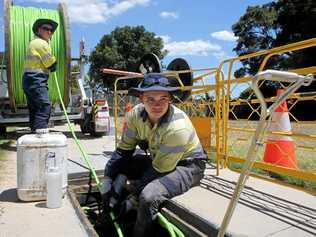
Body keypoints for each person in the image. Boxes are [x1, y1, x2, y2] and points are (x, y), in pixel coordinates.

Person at [102, 73, 208, 237]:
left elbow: (158, 170)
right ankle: (112, 202)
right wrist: (107, 180)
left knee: (148, 196)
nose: (157, 105)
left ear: (170, 99)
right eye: (150, 99)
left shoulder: (178, 128)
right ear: (141, 99)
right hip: (160, 160)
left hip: (188, 166)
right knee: (127, 164)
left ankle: (140, 232)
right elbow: (123, 151)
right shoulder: (134, 116)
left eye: (163, 99)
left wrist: (132, 199)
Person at [22, 18, 58, 133]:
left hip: (29, 79)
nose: (49, 32)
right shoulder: (41, 43)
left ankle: (34, 132)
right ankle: (40, 133)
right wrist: (54, 63)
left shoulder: (33, 42)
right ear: (38, 30)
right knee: (44, 105)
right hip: (36, 79)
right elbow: (50, 63)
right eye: (45, 29)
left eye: (51, 30)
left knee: (34, 108)